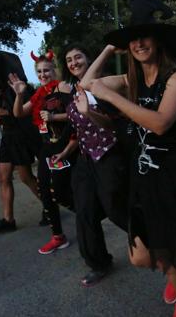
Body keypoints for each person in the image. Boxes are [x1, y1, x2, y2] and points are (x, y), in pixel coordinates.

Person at [81, 0, 176, 317]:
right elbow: (86, 84)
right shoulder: (130, 82)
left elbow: (160, 123)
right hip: (143, 177)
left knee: (165, 249)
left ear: (158, 40)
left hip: (175, 178)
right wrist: (111, 48)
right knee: (141, 257)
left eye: (144, 36)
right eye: (132, 38)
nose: (138, 43)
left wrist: (110, 98)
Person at [60, 43, 129, 287]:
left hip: (110, 155)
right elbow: (76, 130)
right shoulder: (71, 93)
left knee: (117, 208)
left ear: (89, 60)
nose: (74, 62)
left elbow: (113, 125)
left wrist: (89, 112)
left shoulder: (104, 85)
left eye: (78, 57)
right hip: (85, 159)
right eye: (69, 60)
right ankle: (99, 263)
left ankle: (166, 246)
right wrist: (65, 151)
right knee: (85, 211)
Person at [10, 50, 78, 255]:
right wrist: (20, 94)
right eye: (39, 72)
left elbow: (77, 114)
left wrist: (53, 117)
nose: (43, 75)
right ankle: (58, 236)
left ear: (55, 70)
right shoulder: (40, 93)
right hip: (47, 149)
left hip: (66, 147)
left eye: (46, 70)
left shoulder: (63, 87)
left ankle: (88, 214)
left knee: (59, 192)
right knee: (45, 192)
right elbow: (19, 113)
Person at [0, 52, 45, 234]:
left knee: (25, 177)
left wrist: (1, 111)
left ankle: (49, 206)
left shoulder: (23, 88)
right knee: (3, 177)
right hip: (8, 137)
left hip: (20, 138)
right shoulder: (4, 88)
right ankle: (8, 220)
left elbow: (22, 114)